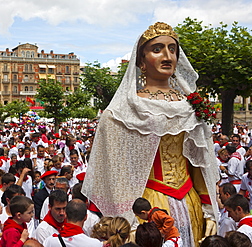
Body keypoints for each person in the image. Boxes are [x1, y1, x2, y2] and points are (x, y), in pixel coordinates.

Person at [82, 22, 219, 247]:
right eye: (157, 49)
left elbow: (199, 161)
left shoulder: (190, 105)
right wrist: (129, 220)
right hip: (147, 204)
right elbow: (117, 175)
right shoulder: (121, 112)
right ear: (141, 62)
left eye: (172, 49)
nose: (167, 56)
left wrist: (207, 207)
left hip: (190, 199)